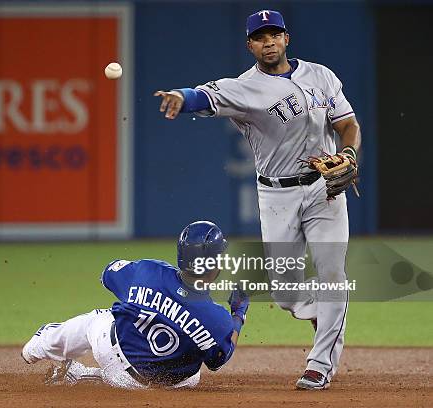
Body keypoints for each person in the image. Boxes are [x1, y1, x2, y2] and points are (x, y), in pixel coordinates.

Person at [153, 10, 361, 390]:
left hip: (324, 189)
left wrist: (347, 155)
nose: (268, 42)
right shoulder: (245, 87)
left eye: (274, 34)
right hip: (276, 194)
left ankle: (319, 364)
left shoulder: (321, 76)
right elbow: (204, 96)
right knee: (285, 292)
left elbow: (347, 123)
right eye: (260, 37)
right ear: (249, 45)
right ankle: (319, 311)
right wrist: (180, 97)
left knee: (332, 276)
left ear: (287, 38)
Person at [21, 221, 249, 389]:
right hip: (168, 387)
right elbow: (219, 360)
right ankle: (81, 375)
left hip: (114, 360)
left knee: (101, 318)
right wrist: (238, 313)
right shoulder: (217, 319)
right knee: (193, 371)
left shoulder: (148, 271)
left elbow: (108, 273)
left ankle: (38, 347)